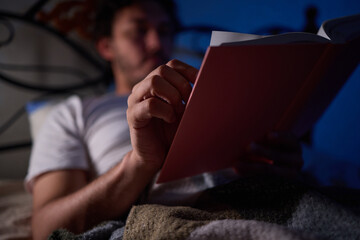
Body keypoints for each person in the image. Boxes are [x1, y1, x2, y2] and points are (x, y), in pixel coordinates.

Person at [25, 0, 303, 239]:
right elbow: (45, 230)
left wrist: (281, 166)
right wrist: (139, 162)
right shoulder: (73, 112)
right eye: (139, 30)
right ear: (106, 46)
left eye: (165, 30)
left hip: (269, 200)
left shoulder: (212, 97)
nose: (157, 43)